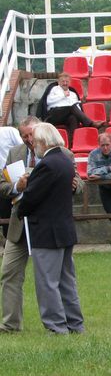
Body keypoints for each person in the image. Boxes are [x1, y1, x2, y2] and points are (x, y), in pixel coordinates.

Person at [1, 117, 83, 332]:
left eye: (32, 135)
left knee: (51, 279)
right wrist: (16, 187)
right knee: (9, 273)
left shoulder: (62, 155)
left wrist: (73, 186)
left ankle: (58, 326)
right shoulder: (15, 153)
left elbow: (79, 183)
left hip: (44, 224)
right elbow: (2, 183)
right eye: (24, 136)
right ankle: (10, 324)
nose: (29, 140)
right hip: (20, 226)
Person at [37, 72, 103, 140]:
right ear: (59, 82)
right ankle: (90, 124)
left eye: (67, 81)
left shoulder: (73, 93)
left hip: (66, 116)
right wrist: (63, 95)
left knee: (73, 118)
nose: (65, 83)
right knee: (72, 107)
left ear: (70, 82)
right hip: (54, 114)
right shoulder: (54, 89)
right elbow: (49, 101)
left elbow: (78, 107)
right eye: (63, 81)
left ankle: (72, 142)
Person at [0, 126, 23, 238]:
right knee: (4, 211)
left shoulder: (10, 131)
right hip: (2, 179)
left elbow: (22, 148)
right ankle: (7, 241)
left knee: (11, 208)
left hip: (11, 175)